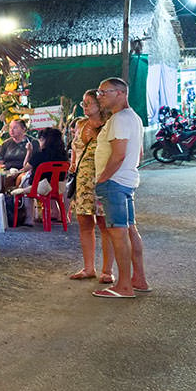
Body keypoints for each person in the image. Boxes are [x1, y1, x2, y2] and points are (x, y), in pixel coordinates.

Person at [91, 78, 150, 298]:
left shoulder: (119, 119)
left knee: (118, 232)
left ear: (120, 93)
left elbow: (119, 155)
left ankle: (124, 285)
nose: (100, 96)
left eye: (104, 92)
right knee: (129, 229)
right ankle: (139, 279)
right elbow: (140, 154)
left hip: (115, 182)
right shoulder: (133, 118)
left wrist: (102, 179)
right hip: (126, 181)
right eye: (99, 91)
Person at [68, 89, 114, 283]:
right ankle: (88, 267)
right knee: (85, 224)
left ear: (99, 104)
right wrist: (72, 164)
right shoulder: (80, 124)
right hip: (82, 181)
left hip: (103, 179)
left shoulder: (109, 125)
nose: (85, 106)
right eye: (83, 103)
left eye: (89, 103)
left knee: (105, 225)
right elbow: (74, 149)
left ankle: (107, 270)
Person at [0, 118, 34, 194]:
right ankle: (2, 201)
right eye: (10, 128)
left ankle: (18, 202)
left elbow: (34, 162)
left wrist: (19, 172)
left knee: (20, 178)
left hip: (26, 171)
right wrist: (4, 169)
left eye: (15, 128)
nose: (11, 130)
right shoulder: (6, 144)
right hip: (9, 171)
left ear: (23, 129)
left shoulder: (32, 142)